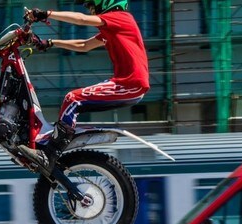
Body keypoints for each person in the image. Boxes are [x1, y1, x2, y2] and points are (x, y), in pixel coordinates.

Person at [25, 0, 150, 158]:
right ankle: (56, 146)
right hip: (128, 84)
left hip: (130, 84)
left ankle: (50, 153)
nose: (92, 12)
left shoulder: (121, 17)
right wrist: (51, 43)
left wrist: (46, 14)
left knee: (72, 99)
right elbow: (84, 45)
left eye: (92, 7)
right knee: (74, 100)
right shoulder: (113, 27)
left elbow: (81, 19)